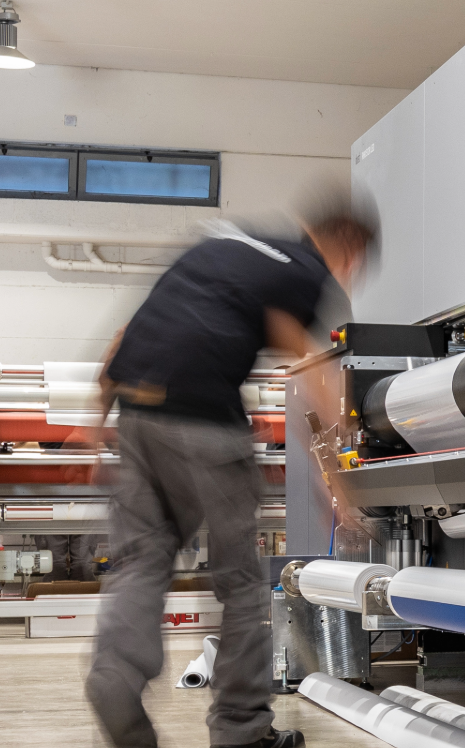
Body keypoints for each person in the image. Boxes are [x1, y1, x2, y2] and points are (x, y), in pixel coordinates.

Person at [86, 194, 376, 748]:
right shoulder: (302, 272)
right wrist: (337, 485)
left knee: (139, 563)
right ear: (349, 250)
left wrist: (92, 422)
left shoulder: (219, 244)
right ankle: (242, 732)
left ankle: (114, 678)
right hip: (206, 427)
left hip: (137, 415)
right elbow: (312, 378)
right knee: (240, 586)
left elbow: (127, 336)